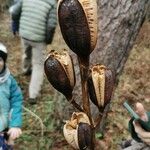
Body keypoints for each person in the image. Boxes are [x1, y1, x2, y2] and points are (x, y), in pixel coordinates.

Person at [9, 0, 57, 104]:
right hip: (39, 39)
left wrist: (16, 27)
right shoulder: (52, 4)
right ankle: (33, 95)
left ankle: (26, 69)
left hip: (24, 34)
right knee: (38, 65)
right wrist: (48, 40)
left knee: (26, 53)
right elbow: (52, 25)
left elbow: (14, 12)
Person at [0, 43, 23, 149]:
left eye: (0, 59)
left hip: (3, 129)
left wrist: (14, 124)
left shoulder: (9, 81)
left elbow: (16, 102)